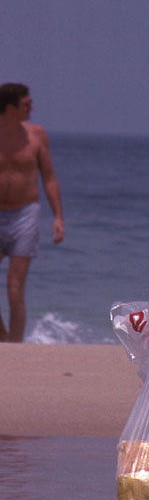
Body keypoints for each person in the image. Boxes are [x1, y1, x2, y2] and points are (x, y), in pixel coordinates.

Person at [0, 83, 64, 342]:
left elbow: (49, 178)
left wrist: (58, 216)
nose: (32, 107)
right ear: (10, 108)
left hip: (25, 214)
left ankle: (14, 345)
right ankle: (3, 338)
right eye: (26, 104)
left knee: (15, 288)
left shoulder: (36, 135)